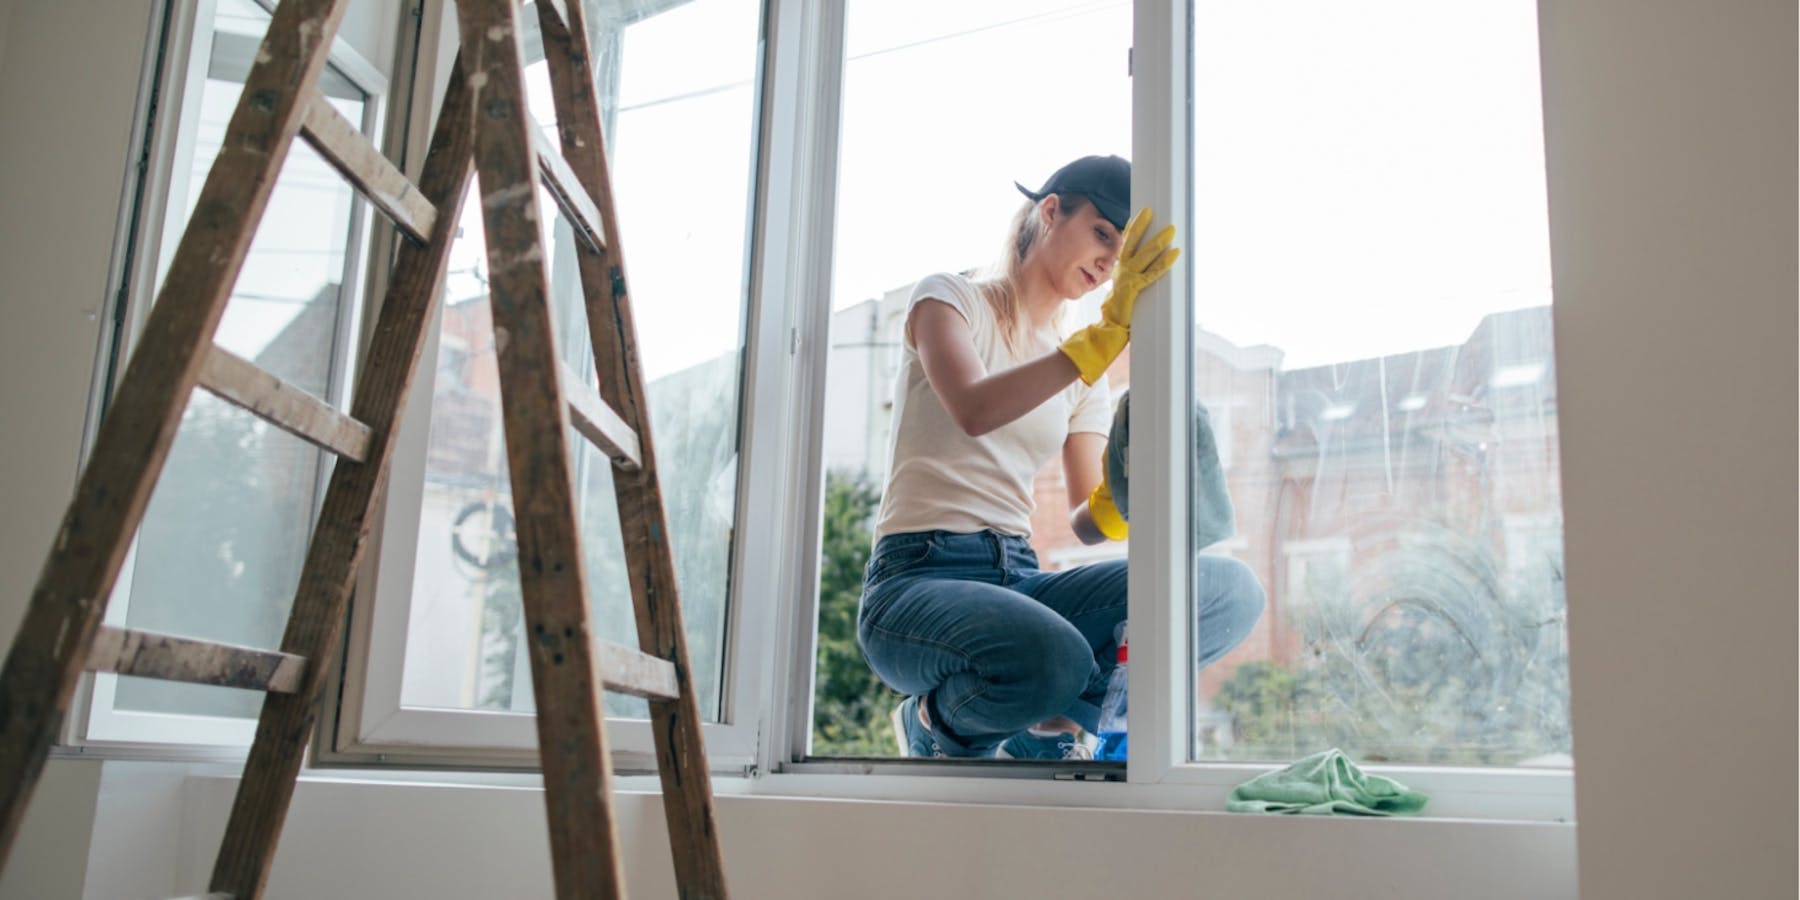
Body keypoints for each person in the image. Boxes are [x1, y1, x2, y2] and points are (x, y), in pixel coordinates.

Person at [855, 155, 1266, 760]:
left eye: (1120, 252)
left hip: (1021, 582)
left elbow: (1082, 518)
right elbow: (974, 408)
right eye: (1102, 233)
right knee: (1055, 655)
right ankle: (935, 723)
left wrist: (1123, 495)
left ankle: (1034, 712)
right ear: (1051, 211)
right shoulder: (949, 299)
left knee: (1229, 591)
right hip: (916, 580)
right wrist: (1099, 340)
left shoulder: (1083, 376)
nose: (1108, 262)